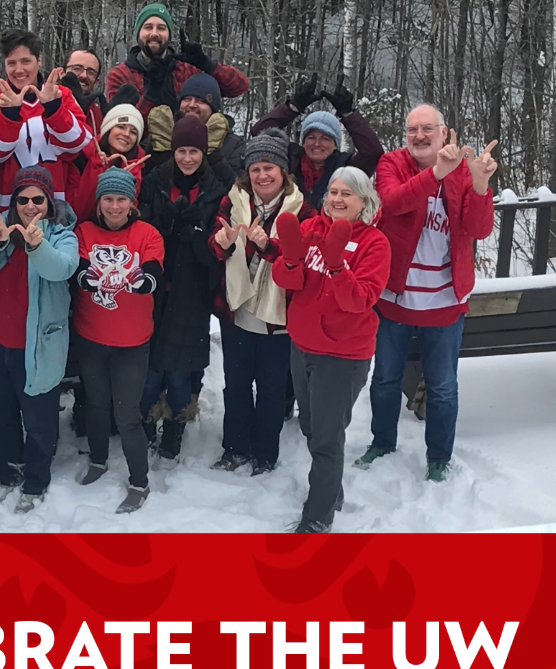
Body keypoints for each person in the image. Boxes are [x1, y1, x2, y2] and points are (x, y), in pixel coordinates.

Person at [356, 107, 497, 481]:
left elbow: (478, 229)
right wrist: (437, 172)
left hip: (445, 300)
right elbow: (395, 201)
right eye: (412, 129)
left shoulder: (465, 171)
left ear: (443, 132)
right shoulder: (391, 163)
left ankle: (438, 458)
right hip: (395, 296)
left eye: (427, 129)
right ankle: (382, 442)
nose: (419, 135)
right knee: (385, 378)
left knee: (443, 387)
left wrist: (480, 185)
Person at [272, 167, 392, 532]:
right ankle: (331, 491)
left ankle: (317, 517)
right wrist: (291, 259)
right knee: (311, 427)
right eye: (333, 192)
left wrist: (338, 265)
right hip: (302, 344)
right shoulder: (311, 230)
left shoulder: (376, 244)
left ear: (364, 201)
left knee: (326, 438)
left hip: (343, 356)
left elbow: (361, 301)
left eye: (347, 194)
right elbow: (286, 281)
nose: (337, 200)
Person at [209, 129, 312, 473]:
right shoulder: (234, 199)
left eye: (269, 167)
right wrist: (222, 244)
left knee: (271, 391)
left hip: (278, 318)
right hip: (237, 310)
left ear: (283, 171)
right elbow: (217, 242)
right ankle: (234, 447)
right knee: (236, 386)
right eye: (255, 168)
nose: (262, 175)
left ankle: (265, 454)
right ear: (247, 173)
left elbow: (304, 259)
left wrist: (269, 247)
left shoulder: (302, 209)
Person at [0, 165, 79, 512]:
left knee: (38, 421)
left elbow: (62, 267)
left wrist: (37, 247)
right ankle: (9, 469)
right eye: (23, 199)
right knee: (0, 415)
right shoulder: (3, 228)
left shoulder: (62, 235)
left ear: (49, 202)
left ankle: (35, 481)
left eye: (38, 199)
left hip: (38, 346)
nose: (30, 205)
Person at [72, 168, 164, 512]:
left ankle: (139, 481)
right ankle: (97, 460)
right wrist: (92, 281)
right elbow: (80, 269)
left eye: (121, 199)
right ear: (99, 202)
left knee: (127, 416)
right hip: (92, 337)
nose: (114, 206)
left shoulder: (147, 233)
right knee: (96, 404)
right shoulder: (84, 231)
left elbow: (153, 270)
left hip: (132, 342)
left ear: (131, 203)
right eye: (108, 199)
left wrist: (139, 282)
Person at [137, 115, 227, 458]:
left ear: (203, 153)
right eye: (181, 150)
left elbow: (219, 249)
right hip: (156, 289)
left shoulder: (215, 190)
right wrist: (165, 226)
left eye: (194, 151)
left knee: (179, 373)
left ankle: (175, 425)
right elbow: (141, 229)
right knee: (149, 370)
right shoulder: (154, 182)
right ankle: (145, 422)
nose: (187, 158)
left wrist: (198, 238)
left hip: (192, 291)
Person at [0, 30, 92, 217]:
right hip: (0, 210)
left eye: (26, 61)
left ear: (38, 61)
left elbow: (78, 143)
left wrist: (54, 110)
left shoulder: (60, 94)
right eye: (11, 63)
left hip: (51, 208)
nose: (19, 70)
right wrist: (9, 117)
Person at [251, 73, 383, 206]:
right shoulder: (289, 159)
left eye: (325, 138)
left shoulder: (346, 168)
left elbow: (372, 153)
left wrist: (348, 114)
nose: (317, 143)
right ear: (303, 141)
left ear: (335, 144)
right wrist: (293, 107)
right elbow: (260, 135)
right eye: (311, 137)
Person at [104, 2, 250, 119]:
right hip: (142, 153)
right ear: (138, 34)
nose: (154, 33)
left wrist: (206, 63)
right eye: (148, 27)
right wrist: (152, 92)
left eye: (161, 28)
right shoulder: (120, 75)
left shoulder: (188, 70)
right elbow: (122, 128)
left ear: (169, 35)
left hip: (187, 151)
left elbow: (239, 86)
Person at [69, 102, 149, 222]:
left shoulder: (137, 167)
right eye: (121, 127)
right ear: (108, 129)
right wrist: (97, 168)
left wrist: (129, 180)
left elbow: (130, 218)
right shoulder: (81, 157)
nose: (126, 134)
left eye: (133, 132)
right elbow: (76, 213)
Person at [60, 47, 108, 132]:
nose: (84, 75)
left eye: (91, 72)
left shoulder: (99, 115)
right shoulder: (45, 105)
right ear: (62, 73)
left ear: (96, 81)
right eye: (77, 68)